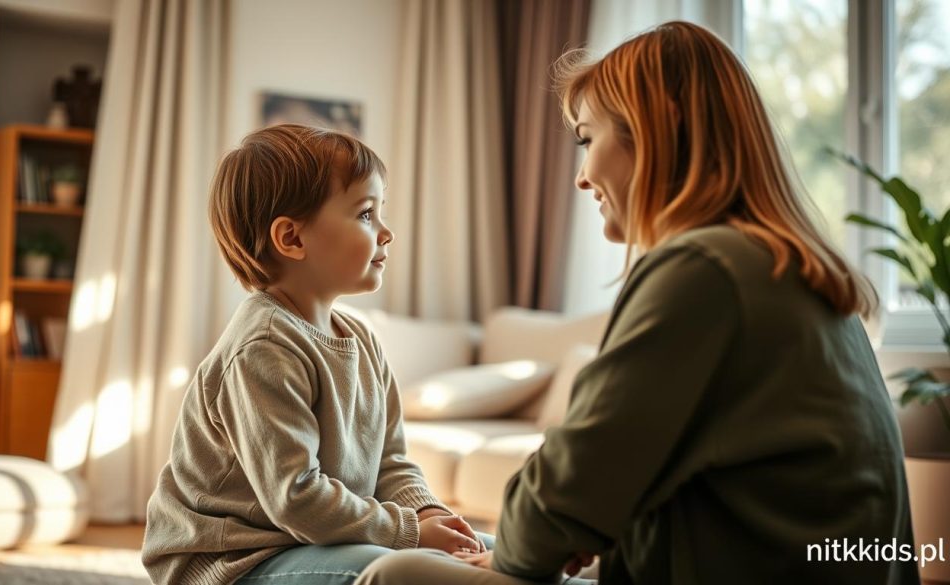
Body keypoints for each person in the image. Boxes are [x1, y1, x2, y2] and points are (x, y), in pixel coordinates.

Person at [354, 20, 918, 585]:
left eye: (588, 139)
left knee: (397, 574)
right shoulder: (797, 268)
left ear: (657, 129)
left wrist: (560, 532)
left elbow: (559, 497)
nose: (581, 177)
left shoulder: (704, 270)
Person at [141, 124, 487, 585]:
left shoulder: (363, 341)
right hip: (239, 563)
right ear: (292, 239)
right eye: (366, 214)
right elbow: (297, 497)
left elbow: (392, 462)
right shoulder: (264, 347)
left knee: (499, 552)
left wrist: (428, 514)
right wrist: (408, 532)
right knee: (407, 571)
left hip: (314, 542)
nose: (387, 233)